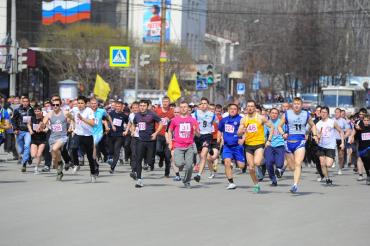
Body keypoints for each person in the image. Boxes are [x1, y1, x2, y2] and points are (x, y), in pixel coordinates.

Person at [278, 97, 318, 193]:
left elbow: (313, 125)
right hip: (288, 141)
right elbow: (279, 126)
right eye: (295, 103)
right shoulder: (287, 114)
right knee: (292, 167)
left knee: (298, 163)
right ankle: (287, 171)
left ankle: (295, 185)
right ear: (292, 105)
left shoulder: (306, 114)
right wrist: (283, 133)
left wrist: (315, 135)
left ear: (301, 105)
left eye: (298, 104)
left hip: (300, 141)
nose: (296, 105)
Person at [238, 100, 274, 193]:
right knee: (250, 168)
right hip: (248, 145)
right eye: (248, 106)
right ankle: (256, 184)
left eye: (252, 106)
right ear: (246, 108)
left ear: (254, 108)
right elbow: (238, 133)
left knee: (257, 162)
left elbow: (272, 127)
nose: (250, 108)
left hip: (259, 144)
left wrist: (269, 140)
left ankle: (262, 161)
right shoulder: (243, 119)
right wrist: (241, 131)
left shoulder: (260, 118)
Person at [167, 102, 199, 188]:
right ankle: (182, 164)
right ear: (179, 109)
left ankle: (187, 181)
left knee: (189, 166)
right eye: (181, 107)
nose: (183, 109)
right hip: (178, 146)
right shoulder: (175, 120)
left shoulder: (192, 120)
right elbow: (169, 131)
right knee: (179, 164)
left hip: (189, 146)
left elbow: (198, 134)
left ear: (188, 108)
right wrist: (170, 143)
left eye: (185, 107)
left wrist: (195, 131)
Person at [132, 100, 163, 188]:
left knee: (150, 160)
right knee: (138, 159)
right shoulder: (137, 115)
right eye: (140, 105)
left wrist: (156, 133)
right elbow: (133, 123)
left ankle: (149, 163)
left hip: (151, 140)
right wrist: (133, 131)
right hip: (141, 140)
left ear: (147, 106)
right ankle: (139, 180)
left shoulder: (152, 114)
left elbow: (160, 123)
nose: (142, 107)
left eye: (144, 106)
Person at [41, 97, 72, 180]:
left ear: (60, 105)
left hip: (62, 137)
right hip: (53, 137)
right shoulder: (50, 114)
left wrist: (72, 127)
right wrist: (41, 126)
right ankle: (59, 170)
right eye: (53, 105)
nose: (55, 106)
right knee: (54, 160)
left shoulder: (65, 113)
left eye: (57, 105)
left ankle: (61, 163)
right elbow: (43, 122)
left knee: (55, 148)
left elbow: (72, 120)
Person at [217, 104, 245, 189]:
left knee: (241, 166)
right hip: (227, 146)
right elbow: (219, 130)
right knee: (227, 162)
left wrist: (243, 139)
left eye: (235, 109)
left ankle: (239, 161)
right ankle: (231, 182)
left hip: (237, 146)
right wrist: (218, 139)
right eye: (231, 109)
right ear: (228, 110)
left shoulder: (241, 119)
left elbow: (245, 131)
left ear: (238, 110)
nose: (232, 110)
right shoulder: (224, 120)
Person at [70, 96, 97, 183]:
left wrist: (82, 118)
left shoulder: (89, 111)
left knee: (90, 157)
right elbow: (70, 116)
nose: (80, 105)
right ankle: (76, 164)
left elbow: (93, 123)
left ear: (85, 104)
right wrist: (68, 116)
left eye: (82, 103)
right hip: (78, 133)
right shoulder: (74, 109)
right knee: (73, 148)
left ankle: (93, 173)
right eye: (79, 103)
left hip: (88, 135)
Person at [192, 97, 219, 182]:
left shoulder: (212, 114)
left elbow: (219, 123)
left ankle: (198, 175)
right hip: (198, 137)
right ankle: (209, 149)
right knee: (201, 155)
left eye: (205, 103)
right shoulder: (195, 114)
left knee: (203, 155)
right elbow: (190, 123)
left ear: (207, 105)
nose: (203, 105)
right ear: (199, 105)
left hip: (207, 136)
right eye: (202, 103)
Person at [316, 107, 345, 185]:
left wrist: (342, 142)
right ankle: (327, 178)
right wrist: (317, 137)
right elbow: (316, 135)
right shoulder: (318, 124)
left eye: (325, 112)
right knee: (322, 163)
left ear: (328, 113)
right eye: (322, 112)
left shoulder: (332, 122)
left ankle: (332, 160)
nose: (323, 114)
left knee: (328, 164)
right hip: (321, 146)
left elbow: (341, 131)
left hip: (330, 146)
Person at [12, 96, 35, 172]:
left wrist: (33, 129)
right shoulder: (17, 110)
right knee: (21, 150)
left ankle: (24, 164)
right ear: (22, 102)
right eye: (24, 101)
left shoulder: (32, 110)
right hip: (19, 131)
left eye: (26, 101)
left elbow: (34, 120)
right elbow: (13, 120)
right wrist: (15, 129)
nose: (25, 103)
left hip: (28, 131)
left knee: (27, 146)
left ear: (29, 102)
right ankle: (28, 156)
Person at [90, 98, 112, 175]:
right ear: (90, 104)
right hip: (89, 133)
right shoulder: (87, 112)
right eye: (92, 103)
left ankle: (95, 166)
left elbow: (108, 117)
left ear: (97, 104)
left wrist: (110, 125)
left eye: (95, 103)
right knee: (91, 150)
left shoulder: (102, 111)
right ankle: (95, 164)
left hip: (98, 133)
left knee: (94, 146)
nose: (93, 105)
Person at [264, 108, 285, 186]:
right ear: (269, 114)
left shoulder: (281, 122)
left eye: (276, 113)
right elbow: (264, 135)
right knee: (268, 163)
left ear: (278, 114)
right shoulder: (267, 123)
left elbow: (286, 132)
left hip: (280, 145)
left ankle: (279, 170)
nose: (274, 114)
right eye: (272, 113)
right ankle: (273, 179)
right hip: (270, 145)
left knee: (279, 164)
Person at [154, 96, 174, 177]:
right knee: (158, 150)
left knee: (168, 155)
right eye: (164, 101)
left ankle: (167, 173)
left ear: (169, 103)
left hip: (168, 136)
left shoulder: (172, 112)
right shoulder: (157, 111)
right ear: (162, 102)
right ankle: (161, 157)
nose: (165, 103)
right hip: (159, 134)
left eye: (167, 101)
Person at [108, 100, 129, 174]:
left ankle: (112, 168)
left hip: (119, 136)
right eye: (116, 106)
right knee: (111, 150)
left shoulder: (124, 116)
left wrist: (126, 130)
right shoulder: (111, 113)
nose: (118, 108)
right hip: (111, 135)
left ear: (122, 107)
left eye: (119, 106)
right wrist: (109, 126)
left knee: (117, 152)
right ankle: (110, 158)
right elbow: (107, 120)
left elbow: (129, 123)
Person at [350, 114, 370, 185]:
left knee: (368, 158)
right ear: (362, 121)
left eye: (368, 120)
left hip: (369, 147)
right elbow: (354, 131)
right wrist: (351, 137)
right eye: (365, 120)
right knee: (365, 162)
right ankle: (368, 175)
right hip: (362, 148)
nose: (366, 122)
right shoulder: (359, 127)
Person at [28, 105, 47, 174]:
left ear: (41, 111)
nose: (37, 112)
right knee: (33, 155)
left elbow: (47, 128)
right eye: (35, 111)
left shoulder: (44, 119)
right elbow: (28, 124)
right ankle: (36, 159)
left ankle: (36, 168)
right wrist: (30, 130)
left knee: (39, 154)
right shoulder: (32, 118)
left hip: (42, 139)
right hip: (34, 138)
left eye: (38, 111)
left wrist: (42, 130)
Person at [334, 108, 351, 175]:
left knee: (341, 155)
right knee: (332, 154)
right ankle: (333, 161)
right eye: (335, 112)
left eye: (338, 112)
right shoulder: (332, 120)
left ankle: (340, 169)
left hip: (340, 140)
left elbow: (348, 131)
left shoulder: (343, 121)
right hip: (332, 140)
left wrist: (344, 137)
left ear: (340, 113)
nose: (336, 114)